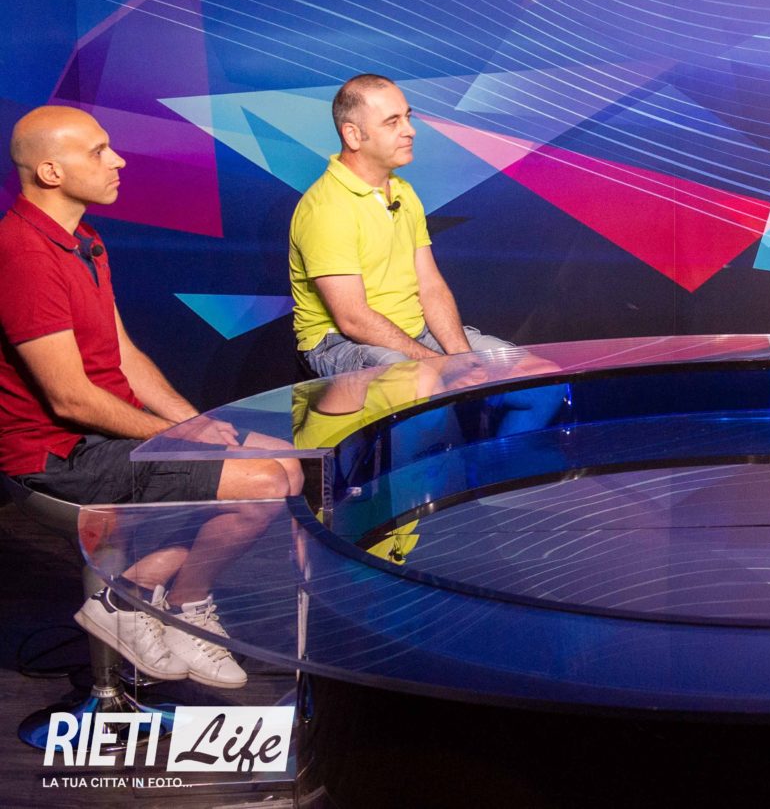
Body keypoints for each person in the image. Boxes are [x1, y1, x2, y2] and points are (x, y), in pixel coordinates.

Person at [0, 106, 303, 688]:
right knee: (262, 483)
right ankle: (148, 601)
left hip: (106, 438)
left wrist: (196, 422)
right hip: (59, 457)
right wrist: (182, 436)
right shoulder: (24, 253)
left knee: (286, 467)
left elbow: (125, 357)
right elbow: (69, 401)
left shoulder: (83, 239)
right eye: (98, 151)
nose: (117, 160)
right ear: (50, 172)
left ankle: (151, 599)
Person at [290, 73, 527, 375]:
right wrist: (438, 366)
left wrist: (462, 358)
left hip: (413, 331)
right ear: (352, 135)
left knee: (528, 371)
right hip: (339, 342)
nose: (410, 131)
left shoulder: (404, 191)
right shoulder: (326, 208)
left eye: (407, 117)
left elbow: (430, 285)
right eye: (393, 122)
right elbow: (352, 319)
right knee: (418, 382)